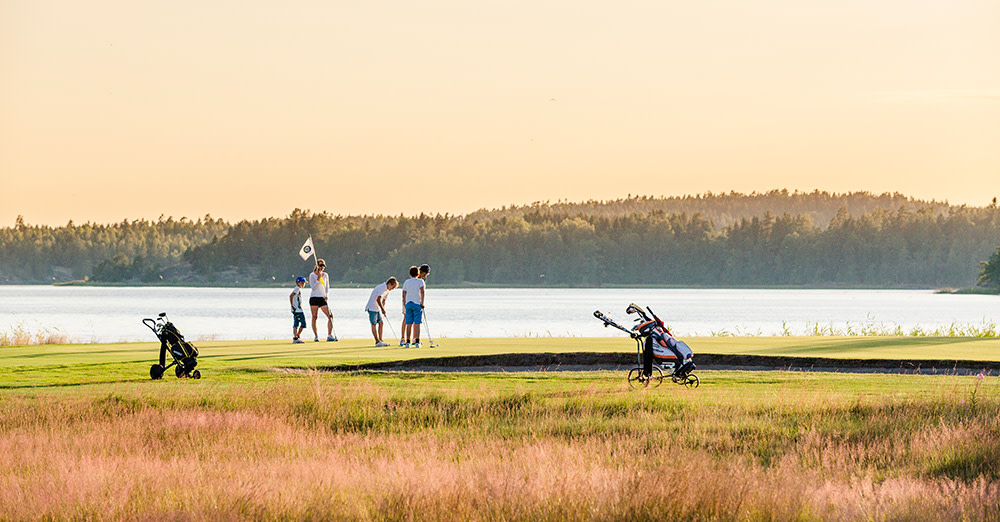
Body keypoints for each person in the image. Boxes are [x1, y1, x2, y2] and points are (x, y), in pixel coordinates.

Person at [309, 259, 337, 342]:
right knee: (315, 317)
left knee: (330, 316)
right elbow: (313, 287)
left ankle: (329, 335)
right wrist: (318, 279)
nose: (322, 267)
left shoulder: (326, 275)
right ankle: (316, 336)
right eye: (320, 265)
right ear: (317, 266)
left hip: (322, 298)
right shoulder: (312, 275)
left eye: (323, 266)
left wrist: (326, 295)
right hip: (314, 297)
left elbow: (327, 287)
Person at [365, 276, 397, 347]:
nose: (392, 289)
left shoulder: (387, 290)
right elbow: (378, 299)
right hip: (372, 307)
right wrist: (382, 309)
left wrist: (383, 309)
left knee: (381, 323)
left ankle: (380, 340)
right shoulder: (382, 287)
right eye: (392, 287)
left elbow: (383, 301)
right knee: (373, 324)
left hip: (376, 308)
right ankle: (377, 342)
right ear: (389, 284)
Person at [400, 265, 426, 347]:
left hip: (408, 304)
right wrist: (422, 302)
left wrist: (404, 304)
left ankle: (408, 342)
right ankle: (417, 342)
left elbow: (403, 294)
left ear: (410, 274)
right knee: (417, 323)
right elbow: (422, 291)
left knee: (409, 323)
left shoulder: (406, 282)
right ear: (418, 274)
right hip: (417, 304)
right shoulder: (420, 281)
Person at [289, 276, 307, 344]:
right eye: (302, 283)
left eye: (304, 283)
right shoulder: (297, 288)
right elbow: (291, 296)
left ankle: (297, 336)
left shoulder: (298, 289)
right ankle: (296, 337)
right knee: (301, 324)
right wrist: (292, 306)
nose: (303, 284)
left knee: (299, 324)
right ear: (298, 283)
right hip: (297, 310)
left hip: (299, 309)